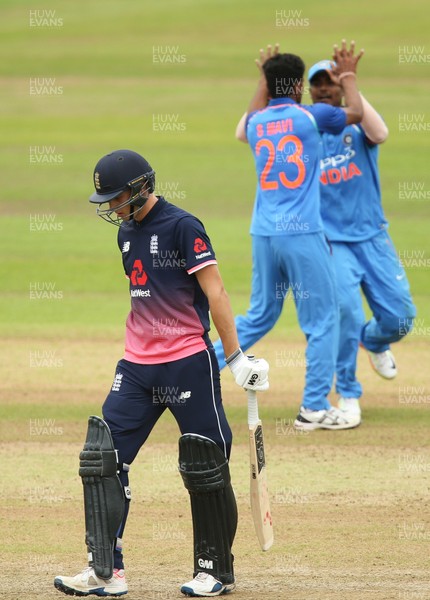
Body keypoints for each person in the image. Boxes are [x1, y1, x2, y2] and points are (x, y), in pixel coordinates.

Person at [54, 149, 269, 598]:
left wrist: (235, 359)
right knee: (102, 460)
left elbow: (216, 291)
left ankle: (214, 571)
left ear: (140, 188)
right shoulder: (125, 234)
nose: (112, 208)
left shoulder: (182, 226)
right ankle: (106, 572)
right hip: (136, 368)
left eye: (117, 198)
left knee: (205, 463)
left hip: (188, 361)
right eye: (106, 201)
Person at [213, 41, 364, 431]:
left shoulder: (256, 122)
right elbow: (358, 113)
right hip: (303, 234)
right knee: (323, 319)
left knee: (261, 315)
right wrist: (347, 76)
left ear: (267, 84)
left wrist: (264, 77)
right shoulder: (311, 117)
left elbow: (246, 122)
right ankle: (313, 407)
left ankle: (195, 372)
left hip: (263, 233)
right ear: (298, 85)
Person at [307, 59, 416, 416]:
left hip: (372, 236)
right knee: (346, 312)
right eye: (318, 83)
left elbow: (381, 133)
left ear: (343, 89)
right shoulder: (305, 130)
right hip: (332, 242)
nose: (325, 88)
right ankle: (348, 394)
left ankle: (373, 341)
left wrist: (350, 81)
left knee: (400, 316)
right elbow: (246, 132)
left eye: (332, 82)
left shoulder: (358, 128)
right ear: (309, 89)